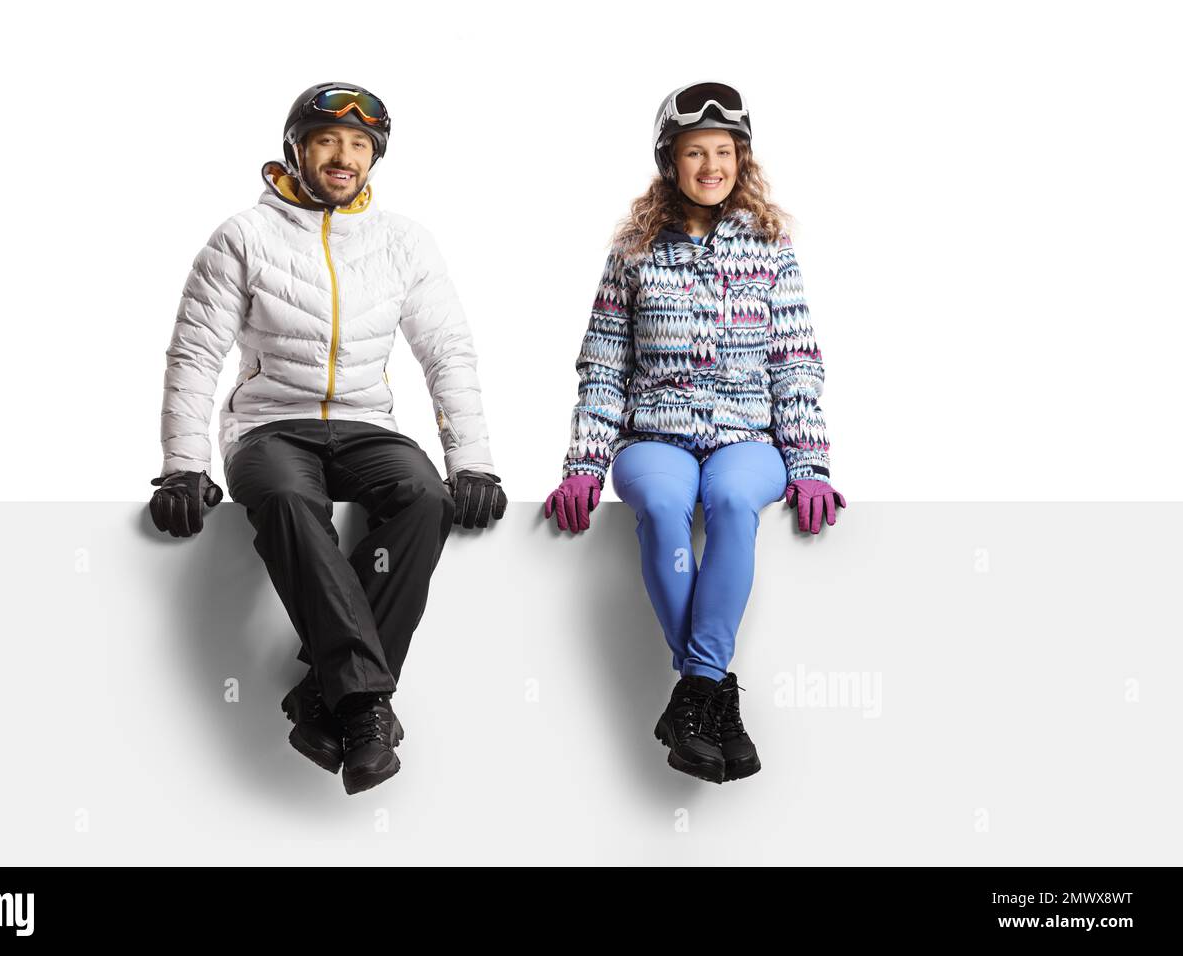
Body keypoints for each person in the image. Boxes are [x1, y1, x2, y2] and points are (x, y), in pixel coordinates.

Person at [148, 82, 507, 795]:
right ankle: (367, 705)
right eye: (327, 142)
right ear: (296, 150)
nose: (344, 157)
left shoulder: (404, 241)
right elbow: (195, 354)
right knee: (285, 499)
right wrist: (182, 464)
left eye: (359, 146)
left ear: (374, 157)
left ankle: (327, 695)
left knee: (423, 498)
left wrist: (472, 461)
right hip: (268, 427)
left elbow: (448, 352)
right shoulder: (242, 237)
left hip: (367, 424)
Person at [543, 81, 846, 785]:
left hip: (748, 437)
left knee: (737, 504)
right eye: (693, 153)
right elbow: (604, 365)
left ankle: (694, 692)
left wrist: (810, 465)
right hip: (658, 434)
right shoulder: (633, 253)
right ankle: (714, 696)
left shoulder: (771, 249)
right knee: (662, 506)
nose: (710, 166)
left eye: (723, 152)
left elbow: (795, 361)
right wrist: (586, 465)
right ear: (668, 162)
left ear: (741, 160)